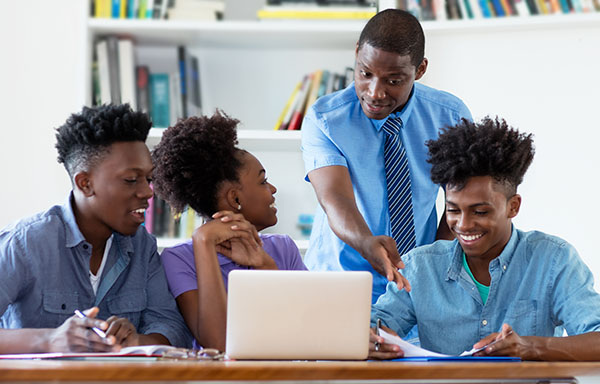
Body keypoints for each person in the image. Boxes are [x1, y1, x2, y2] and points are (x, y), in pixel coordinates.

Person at [369, 117, 600, 361]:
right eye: (454, 210)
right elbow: (375, 325)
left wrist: (529, 347)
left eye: (480, 212)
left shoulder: (553, 260)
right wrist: (372, 338)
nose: (464, 225)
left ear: (513, 207)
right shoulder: (419, 266)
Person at [301, 9, 472, 301]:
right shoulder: (326, 119)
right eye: (365, 73)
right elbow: (335, 198)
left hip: (416, 284)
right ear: (356, 53)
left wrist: (434, 264)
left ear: (419, 70)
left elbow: (462, 201)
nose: (375, 92)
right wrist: (367, 243)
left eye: (393, 80)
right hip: (338, 282)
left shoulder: (450, 117)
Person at [0, 104, 191, 354]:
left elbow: (172, 328)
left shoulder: (143, 246)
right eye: (131, 180)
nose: (147, 192)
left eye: (149, 179)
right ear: (85, 183)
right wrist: (49, 340)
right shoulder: (25, 243)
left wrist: (136, 341)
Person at [152, 111, 307, 352]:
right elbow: (218, 343)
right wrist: (203, 243)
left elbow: (308, 325)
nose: (273, 189)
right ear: (235, 199)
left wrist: (265, 266)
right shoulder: (179, 259)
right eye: (263, 181)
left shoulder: (283, 248)